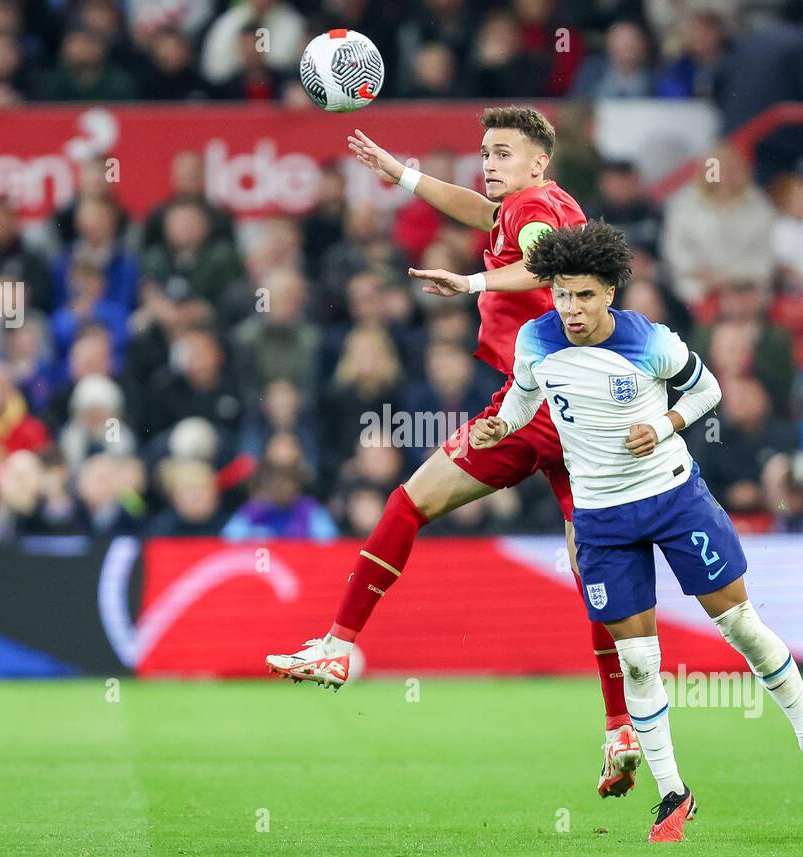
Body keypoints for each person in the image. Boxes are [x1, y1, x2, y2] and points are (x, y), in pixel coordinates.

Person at [264, 106, 643, 800]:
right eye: (484, 151)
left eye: (501, 153)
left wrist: (469, 285)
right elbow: (483, 215)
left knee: (410, 501)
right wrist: (404, 174)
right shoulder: (548, 201)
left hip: (534, 410)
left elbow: (536, 264)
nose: (488, 163)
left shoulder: (532, 210)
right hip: (574, 413)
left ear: (537, 163)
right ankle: (620, 727)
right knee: (595, 574)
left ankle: (339, 644)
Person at [470, 223, 803, 842]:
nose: (571, 309)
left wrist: (667, 423)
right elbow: (522, 399)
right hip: (599, 518)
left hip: (673, 498)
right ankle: (673, 794)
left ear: (611, 294)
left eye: (585, 296)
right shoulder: (535, 340)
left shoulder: (649, 340)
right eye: (563, 295)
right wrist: (499, 429)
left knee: (741, 627)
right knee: (640, 662)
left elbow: (708, 389)